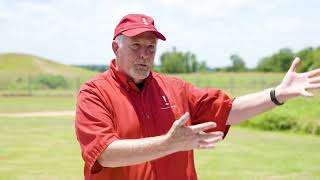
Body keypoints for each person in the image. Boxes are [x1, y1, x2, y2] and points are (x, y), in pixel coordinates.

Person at [75, 14, 320, 180]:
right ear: (116, 48)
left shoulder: (175, 88)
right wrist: (168, 144)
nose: (144, 55)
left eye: (150, 47)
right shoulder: (95, 92)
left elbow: (227, 110)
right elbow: (105, 153)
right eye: (136, 46)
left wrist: (277, 94)